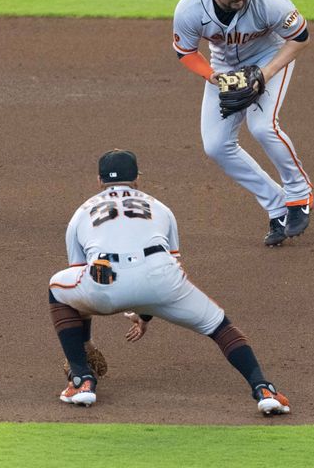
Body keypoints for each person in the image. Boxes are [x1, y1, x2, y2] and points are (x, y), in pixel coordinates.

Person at [48, 149, 290, 415]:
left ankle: (82, 380)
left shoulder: (82, 213)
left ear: (98, 180)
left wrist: (85, 340)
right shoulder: (160, 208)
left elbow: (80, 271)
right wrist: (146, 314)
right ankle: (264, 389)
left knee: (59, 289)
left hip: (106, 280)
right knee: (218, 325)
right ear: (137, 178)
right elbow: (171, 263)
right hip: (162, 278)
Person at [172, 0, 314, 246]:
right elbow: (185, 52)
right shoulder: (189, 9)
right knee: (216, 146)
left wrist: (265, 73)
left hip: (271, 58)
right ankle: (277, 207)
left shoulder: (269, 0)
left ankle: (299, 193)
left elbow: (300, 37)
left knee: (263, 126)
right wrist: (214, 78)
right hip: (224, 69)